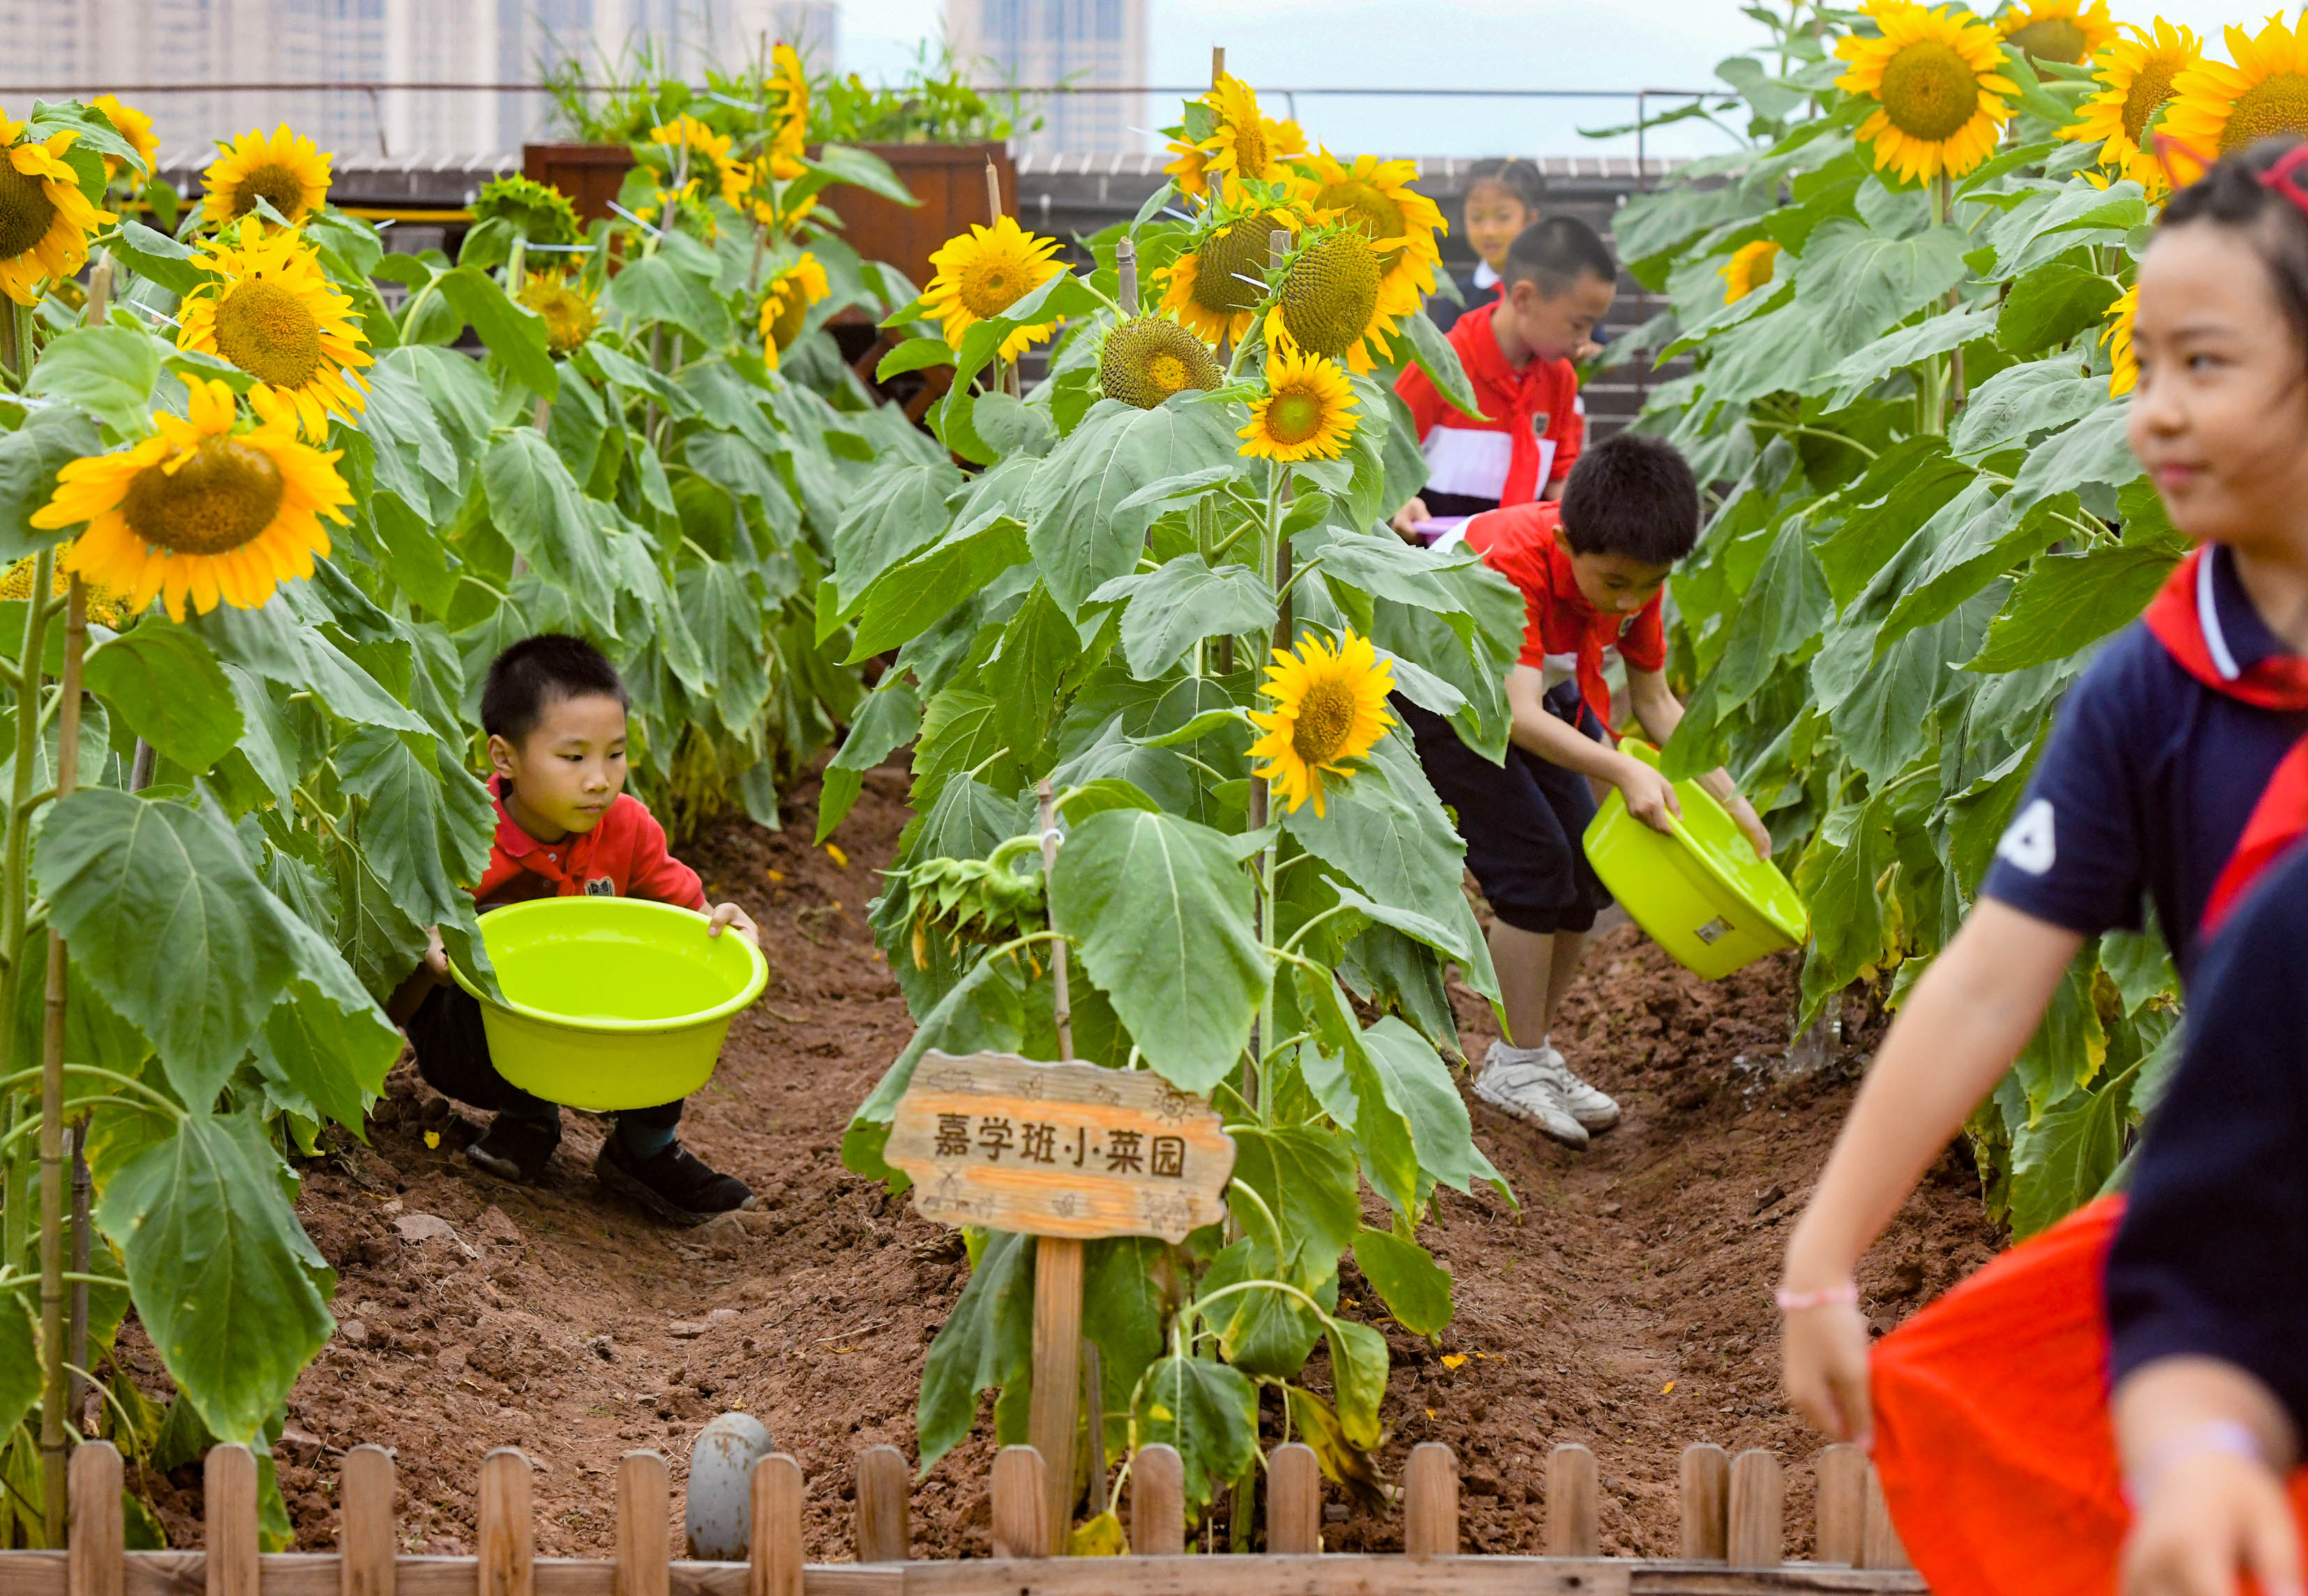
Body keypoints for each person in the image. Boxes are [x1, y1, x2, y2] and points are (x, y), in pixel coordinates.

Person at [1775, 135, 2308, 1596]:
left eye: (2203, 365)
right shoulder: (2153, 689)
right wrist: (1822, 1255)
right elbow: (1990, 976)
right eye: (2141, 367)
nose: (2152, 416)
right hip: (2257, 1248)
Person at [1400, 431, 1774, 1147]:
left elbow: (1657, 706)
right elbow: (1509, 716)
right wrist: (1624, 768)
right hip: (1438, 692)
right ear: (1568, 541)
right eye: (1613, 584)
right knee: (1536, 868)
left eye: (1648, 583)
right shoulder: (1511, 559)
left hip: (1536, 697)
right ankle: (1514, 1062)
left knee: (1584, 868)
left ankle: (1525, 1053)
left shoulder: (1635, 578)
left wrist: (1731, 800)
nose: (1629, 599)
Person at [389, 633, 763, 1226]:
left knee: (661, 949)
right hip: (477, 1043)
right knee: (477, 933)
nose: (600, 780)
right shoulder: (461, 836)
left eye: (614, 754)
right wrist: (429, 951)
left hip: (597, 1032)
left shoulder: (628, 828)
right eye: (574, 758)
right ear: (504, 757)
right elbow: (402, 966)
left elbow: (691, 921)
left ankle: (645, 1148)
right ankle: (527, 1117)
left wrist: (723, 925)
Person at [1391, 216, 1617, 536]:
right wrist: (1401, 501)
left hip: (1515, 563)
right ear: (1524, 299)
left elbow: (1558, 478)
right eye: (1579, 325)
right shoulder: (1442, 365)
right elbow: (1385, 458)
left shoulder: (1562, 379)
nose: (1585, 340)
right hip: (1433, 565)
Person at [1429, 158, 1546, 335]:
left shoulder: (1555, 288)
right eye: (1477, 218)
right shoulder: (1458, 300)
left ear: (1530, 220)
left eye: (1503, 217)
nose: (1489, 231)